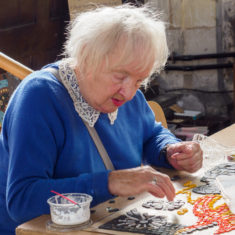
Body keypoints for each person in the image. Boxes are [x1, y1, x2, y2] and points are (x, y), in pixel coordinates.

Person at [0, 4, 203, 234]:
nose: (128, 92)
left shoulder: (126, 96)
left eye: (138, 80)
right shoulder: (39, 96)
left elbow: (151, 134)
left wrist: (170, 150)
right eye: (120, 76)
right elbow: (22, 199)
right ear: (87, 56)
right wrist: (110, 182)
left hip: (104, 222)